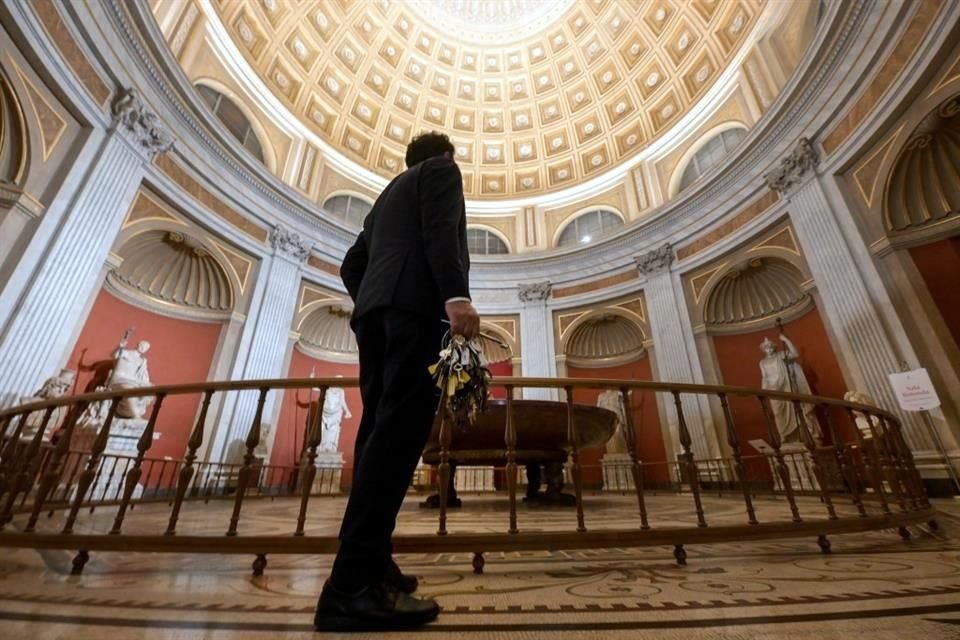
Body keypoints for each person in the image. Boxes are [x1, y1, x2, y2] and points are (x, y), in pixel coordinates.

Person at [314, 131, 479, 631]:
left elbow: (352, 264)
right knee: (399, 437)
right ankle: (351, 586)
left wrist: (374, 297)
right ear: (446, 156)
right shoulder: (442, 172)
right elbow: (439, 231)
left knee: (377, 438)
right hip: (415, 312)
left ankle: (373, 562)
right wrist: (454, 296)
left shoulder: (387, 196)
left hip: (376, 316)